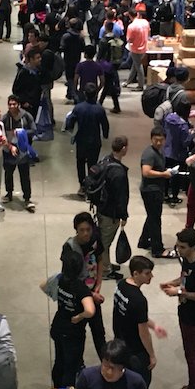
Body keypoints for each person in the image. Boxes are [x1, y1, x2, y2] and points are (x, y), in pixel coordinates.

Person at [112, 255, 165, 389]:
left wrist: (154, 325)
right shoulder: (139, 299)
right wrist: (151, 355)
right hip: (135, 351)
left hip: (120, 344)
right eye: (147, 273)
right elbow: (142, 332)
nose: (151, 277)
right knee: (141, 387)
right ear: (136, 273)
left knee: (122, 383)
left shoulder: (121, 286)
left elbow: (134, 316)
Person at [160, 228, 195, 389]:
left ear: (193, 247)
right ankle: (191, 386)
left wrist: (179, 292)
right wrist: (172, 283)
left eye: (182, 247)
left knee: (191, 355)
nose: (178, 250)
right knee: (188, 351)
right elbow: (184, 278)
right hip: (185, 310)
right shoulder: (187, 259)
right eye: (178, 246)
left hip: (194, 315)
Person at [45, 245, 96, 387]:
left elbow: (43, 285)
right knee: (71, 366)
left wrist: (57, 296)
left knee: (59, 360)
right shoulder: (81, 288)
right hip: (73, 333)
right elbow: (90, 311)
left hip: (58, 326)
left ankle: (57, 388)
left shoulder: (60, 280)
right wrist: (80, 316)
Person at [60, 212, 107, 358]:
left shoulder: (95, 240)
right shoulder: (69, 247)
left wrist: (98, 284)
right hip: (78, 299)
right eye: (82, 230)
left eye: (88, 229)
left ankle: (106, 362)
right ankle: (78, 364)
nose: (86, 233)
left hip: (93, 292)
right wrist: (91, 295)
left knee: (99, 332)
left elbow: (100, 259)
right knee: (78, 336)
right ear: (76, 230)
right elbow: (69, 278)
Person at [96, 135, 129, 280]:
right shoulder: (118, 172)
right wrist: (124, 215)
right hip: (111, 213)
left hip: (101, 208)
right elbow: (121, 197)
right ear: (124, 149)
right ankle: (104, 270)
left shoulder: (105, 161)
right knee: (105, 243)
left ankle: (106, 264)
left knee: (104, 239)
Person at [67, 82, 110, 193]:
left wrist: (69, 128)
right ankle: (91, 185)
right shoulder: (99, 109)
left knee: (80, 162)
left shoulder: (78, 108)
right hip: (95, 141)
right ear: (95, 94)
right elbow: (105, 124)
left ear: (85, 93)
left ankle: (82, 185)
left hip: (81, 140)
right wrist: (105, 135)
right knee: (93, 164)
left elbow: (70, 121)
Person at [138, 127, 174, 259]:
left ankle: (143, 241)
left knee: (152, 216)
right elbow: (146, 172)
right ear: (151, 139)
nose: (158, 142)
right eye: (156, 140)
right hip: (151, 191)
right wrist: (163, 174)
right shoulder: (149, 154)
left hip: (155, 189)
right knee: (155, 220)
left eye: (161, 140)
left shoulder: (158, 151)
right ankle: (157, 249)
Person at [1, 94, 36, 211]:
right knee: (8, 173)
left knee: (24, 175)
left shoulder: (26, 116)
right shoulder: (5, 118)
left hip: (23, 150)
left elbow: (34, 130)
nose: (12, 106)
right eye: (10, 104)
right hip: (8, 150)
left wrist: (22, 132)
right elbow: (1, 134)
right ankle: (9, 193)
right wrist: (8, 145)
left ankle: (27, 198)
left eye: (14, 104)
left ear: (18, 105)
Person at [124, 9, 150, 90]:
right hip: (144, 47)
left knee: (138, 66)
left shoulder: (131, 26)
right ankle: (128, 81)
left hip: (135, 49)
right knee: (135, 65)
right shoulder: (145, 22)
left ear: (130, 16)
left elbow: (129, 40)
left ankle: (140, 85)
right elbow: (149, 32)